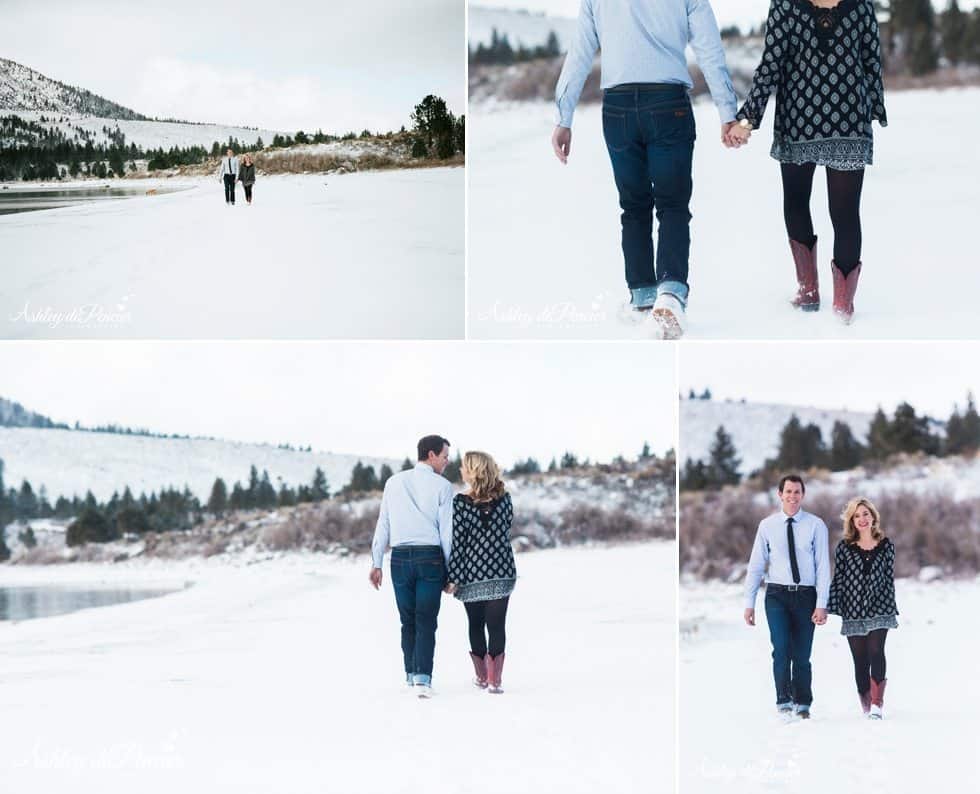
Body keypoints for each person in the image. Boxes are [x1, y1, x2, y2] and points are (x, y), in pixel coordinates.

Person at [552, 0, 740, 339]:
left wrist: (563, 117)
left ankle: (642, 299)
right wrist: (727, 111)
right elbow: (709, 48)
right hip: (669, 105)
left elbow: (579, 52)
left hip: (618, 108)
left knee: (634, 206)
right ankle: (669, 294)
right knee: (673, 205)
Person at [726, 0, 887, 324]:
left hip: (800, 120)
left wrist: (747, 120)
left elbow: (771, 65)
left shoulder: (785, 5)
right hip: (849, 122)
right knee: (844, 214)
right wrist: (873, 110)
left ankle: (810, 291)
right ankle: (842, 307)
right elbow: (871, 62)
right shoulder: (861, 5)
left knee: (797, 203)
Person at [369, 435, 455, 699]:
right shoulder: (443, 486)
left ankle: (410, 674)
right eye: (444, 456)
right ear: (431, 455)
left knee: (408, 620)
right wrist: (451, 571)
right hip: (430, 558)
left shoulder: (393, 483)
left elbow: (383, 523)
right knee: (426, 619)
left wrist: (376, 562)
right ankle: (422, 680)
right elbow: (446, 533)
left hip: (400, 559)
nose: (447, 461)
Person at [744, 474, 831, 719]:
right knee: (781, 649)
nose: (792, 496)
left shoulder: (816, 525)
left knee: (802, 654)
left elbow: (823, 567)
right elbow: (756, 566)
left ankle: (803, 703)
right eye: (788, 491)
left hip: (806, 596)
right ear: (780, 494)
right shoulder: (767, 526)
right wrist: (749, 603)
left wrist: (821, 604)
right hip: (777, 596)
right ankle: (783, 700)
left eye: (797, 492)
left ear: (803, 495)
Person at [446, 451, 517, 694]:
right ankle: (494, 680)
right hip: (501, 569)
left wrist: (453, 577)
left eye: (464, 467)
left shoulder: (460, 503)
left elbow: (459, 543)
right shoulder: (505, 499)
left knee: (476, 624)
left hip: (471, 573)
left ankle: (481, 676)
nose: (461, 471)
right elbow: (506, 528)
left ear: (473, 471)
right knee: (497, 626)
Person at [827, 497, 898, 719]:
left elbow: (888, 578)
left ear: (873, 516)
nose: (862, 519)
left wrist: (888, 604)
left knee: (876, 651)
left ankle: (877, 704)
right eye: (856, 515)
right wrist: (830, 608)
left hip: (880, 606)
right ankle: (866, 704)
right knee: (860, 660)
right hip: (853, 609)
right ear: (851, 520)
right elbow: (838, 579)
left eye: (865, 514)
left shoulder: (886, 545)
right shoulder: (844, 548)